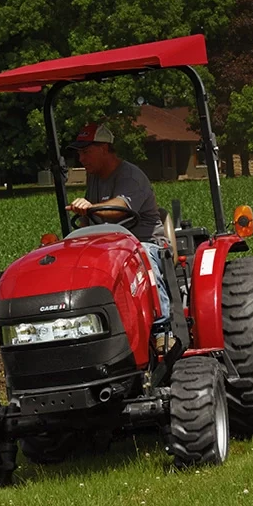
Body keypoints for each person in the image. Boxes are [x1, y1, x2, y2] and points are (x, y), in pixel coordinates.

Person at [65, 123, 173, 353]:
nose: (81, 158)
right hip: (110, 247)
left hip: (144, 242)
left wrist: (90, 207)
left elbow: (118, 209)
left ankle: (163, 331)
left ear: (104, 148)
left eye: (86, 152)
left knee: (143, 258)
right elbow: (89, 219)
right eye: (79, 153)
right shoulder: (94, 177)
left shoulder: (132, 176)